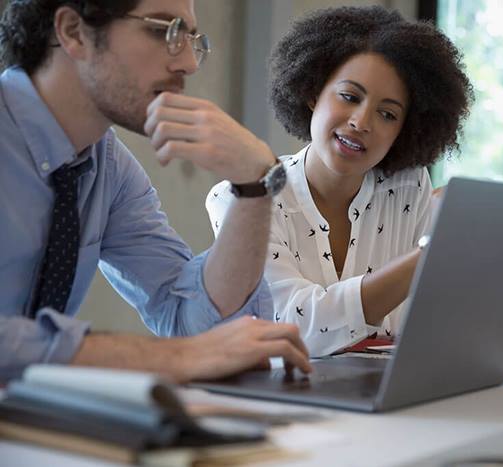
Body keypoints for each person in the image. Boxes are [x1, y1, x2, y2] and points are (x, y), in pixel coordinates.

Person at [0, 0, 312, 383]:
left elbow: (190, 320)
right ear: (73, 32)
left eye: (189, 38)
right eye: (163, 29)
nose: (189, 64)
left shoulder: (107, 165)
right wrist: (173, 358)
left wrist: (256, 185)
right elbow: (191, 348)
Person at [206, 6, 473, 357]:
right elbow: (292, 325)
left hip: (387, 396)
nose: (362, 122)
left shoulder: (409, 187)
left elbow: (432, 318)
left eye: (388, 114)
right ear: (314, 93)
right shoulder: (242, 197)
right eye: (349, 97)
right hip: (282, 396)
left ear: (405, 130)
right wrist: (432, 251)